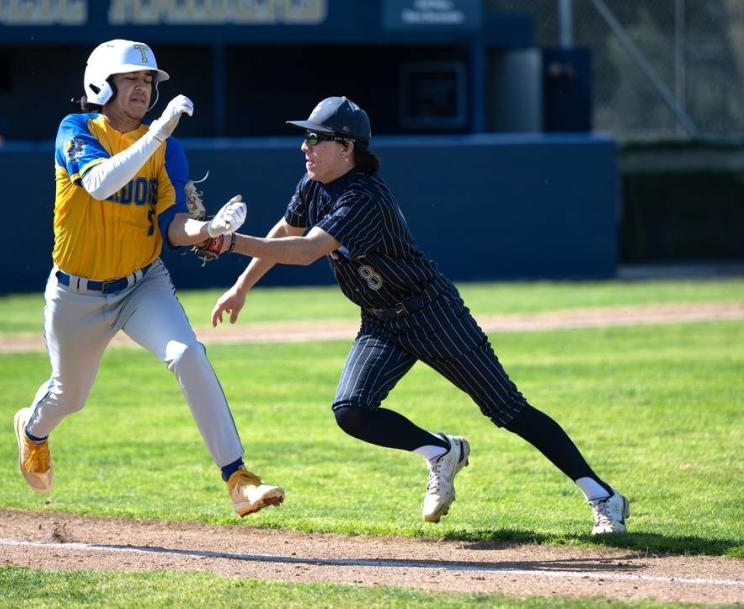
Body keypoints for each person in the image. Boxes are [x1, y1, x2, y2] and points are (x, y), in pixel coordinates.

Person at [210, 96, 628, 534]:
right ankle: (441, 452)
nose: (305, 146)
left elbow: (306, 251)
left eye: (316, 137)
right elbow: (285, 231)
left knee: (508, 409)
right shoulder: (313, 185)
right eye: (305, 136)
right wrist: (240, 286)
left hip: (431, 311)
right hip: (380, 321)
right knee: (351, 410)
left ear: (347, 147)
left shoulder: (363, 197)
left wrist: (232, 242)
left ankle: (604, 496)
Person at [14, 39, 284, 517]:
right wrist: (157, 133)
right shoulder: (76, 128)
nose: (142, 87)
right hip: (76, 293)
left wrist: (209, 229)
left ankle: (238, 477)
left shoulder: (167, 147)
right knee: (69, 396)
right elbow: (99, 183)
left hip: (142, 282)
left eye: (147, 81)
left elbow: (173, 229)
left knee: (188, 354)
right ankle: (33, 431)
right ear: (102, 82)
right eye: (131, 79)